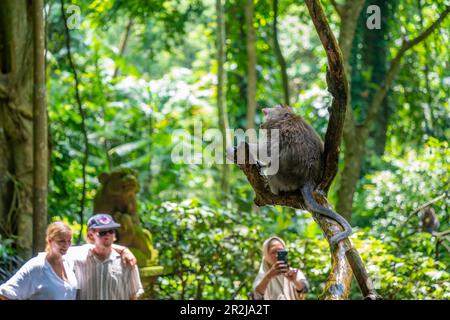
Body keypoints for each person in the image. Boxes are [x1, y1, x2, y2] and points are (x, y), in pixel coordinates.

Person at [66, 213, 144, 300]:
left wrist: (124, 250)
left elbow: (133, 295)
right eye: (102, 232)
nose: (108, 235)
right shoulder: (76, 258)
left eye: (111, 231)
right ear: (91, 235)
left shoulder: (127, 261)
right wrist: (123, 249)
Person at [0, 221, 78, 300]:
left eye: (69, 241)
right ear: (50, 241)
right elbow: (4, 294)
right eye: (61, 241)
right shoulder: (37, 267)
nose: (66, 245)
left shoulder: (68, 263)